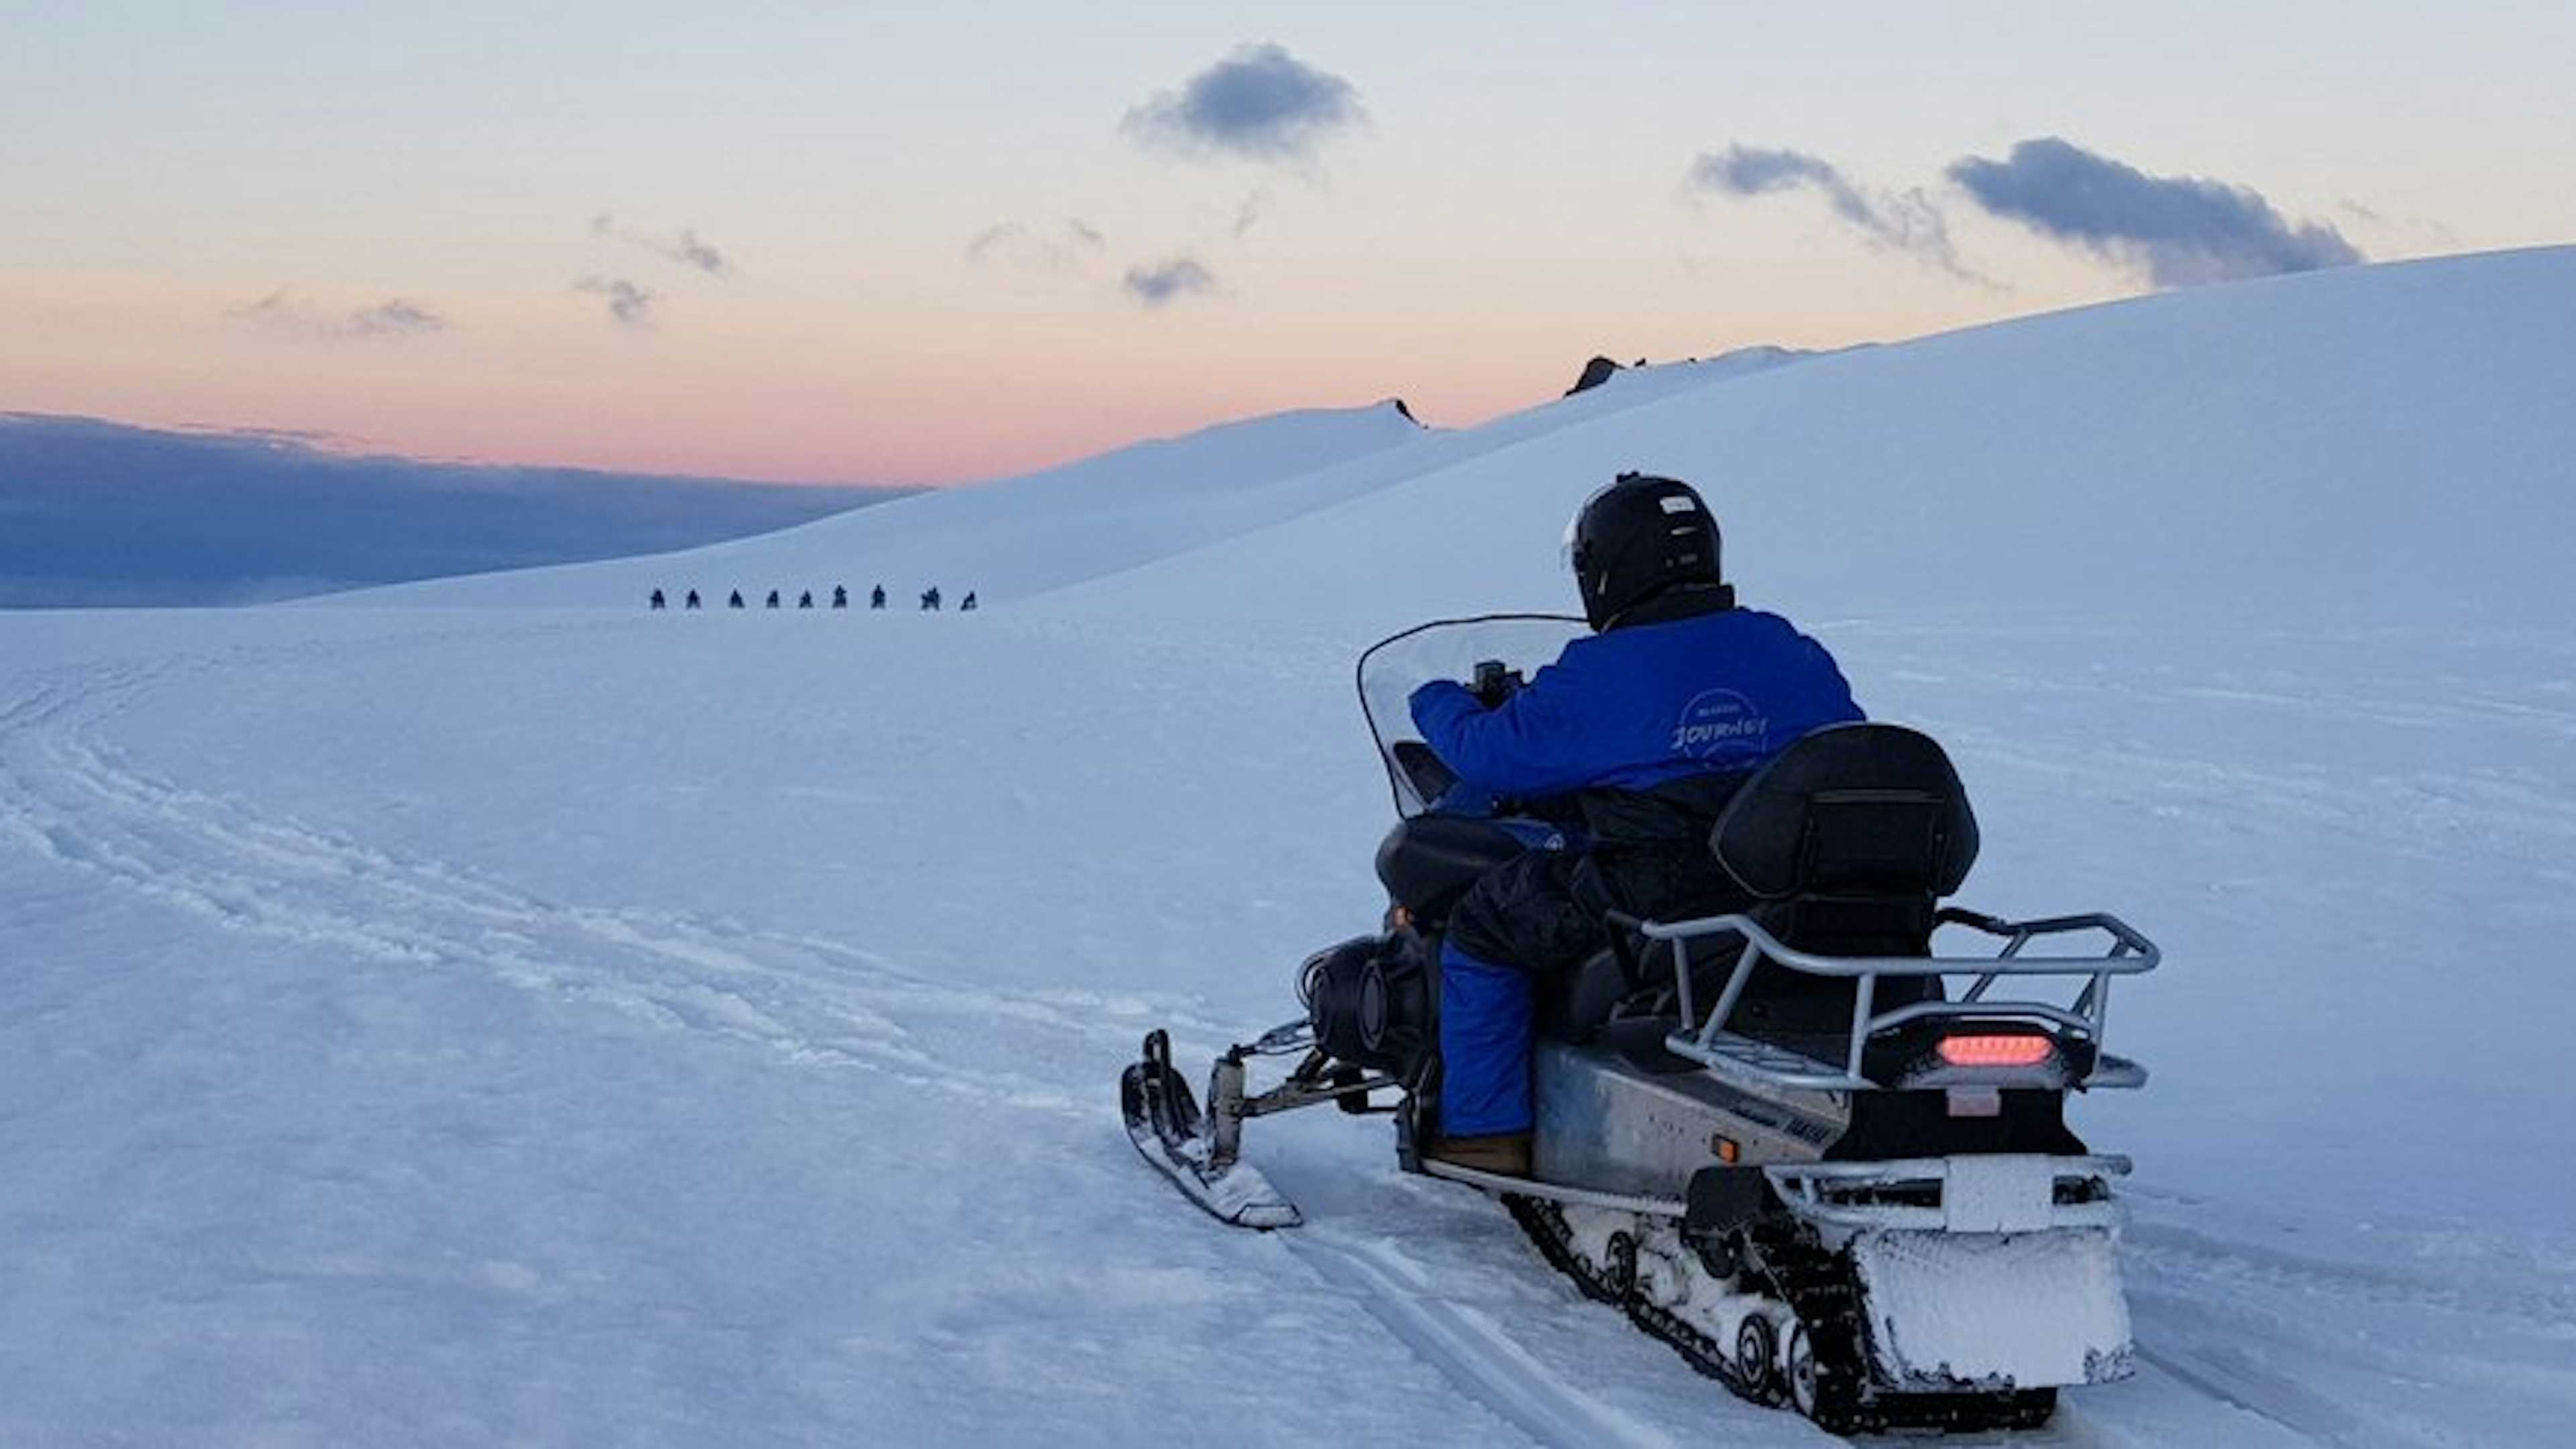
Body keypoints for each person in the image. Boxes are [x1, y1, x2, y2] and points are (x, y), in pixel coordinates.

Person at [1406, 473, 1862, 1176]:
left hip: (1655, 891)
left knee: (1482, 929)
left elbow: (1492, 759)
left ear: (1606, 569)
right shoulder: (1783, 645)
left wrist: (1436, 699)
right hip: (1792, 888)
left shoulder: (1604, 670)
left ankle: (1485, 1135)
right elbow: (1842, 742)